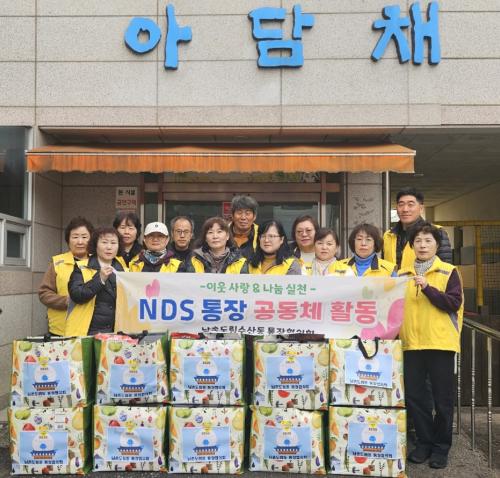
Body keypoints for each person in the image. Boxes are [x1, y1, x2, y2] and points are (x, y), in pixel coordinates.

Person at [398, 222, 463, 469]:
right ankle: (424, 443)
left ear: (437, 245)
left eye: (428, 241)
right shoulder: (401, 275)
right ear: (411, 245)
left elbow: (453, 303)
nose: (422, 245)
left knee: (442, 400)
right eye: (418, 241)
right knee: (416, 398)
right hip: (411, 344)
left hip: (440, 343)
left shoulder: (449, 271)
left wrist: (427, 288)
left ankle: (441, 447)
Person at [38, 216, 94, 336]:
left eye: (84, 237)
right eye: (75, 237)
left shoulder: (99, 263)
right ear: (68, 240)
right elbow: (44, 293)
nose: (80, 241)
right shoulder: (57, 263)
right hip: (61, 330)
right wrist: (66, 301)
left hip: (91, 330)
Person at [65, 227, 125, 336]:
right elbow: (76, 295)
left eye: (113, 243)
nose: (109, 247)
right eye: (104, 242)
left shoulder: (124, 271)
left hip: (116, 332)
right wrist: (99, 279)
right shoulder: (82, 267)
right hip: (86, 331)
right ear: (95, 245)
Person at [383, 187, 452, 269]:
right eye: (401, 205)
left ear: (421, 208)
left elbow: (445, 269)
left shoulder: (437, 232)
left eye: (410, 205)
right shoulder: (388, 235)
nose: (405, 209)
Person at [332, 223, 397, 277]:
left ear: (375, 243)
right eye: (359, 239)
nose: (363, 243)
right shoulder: (338, 266)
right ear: (353, 242)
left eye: (368, 239)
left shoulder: (389, 269)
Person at [229, 195, 259, 259]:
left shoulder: (261, 235)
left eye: (247, 213)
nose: (243, 217)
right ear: (232, 215)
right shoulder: (222, 234)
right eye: (239, 213)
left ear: (254, 216)